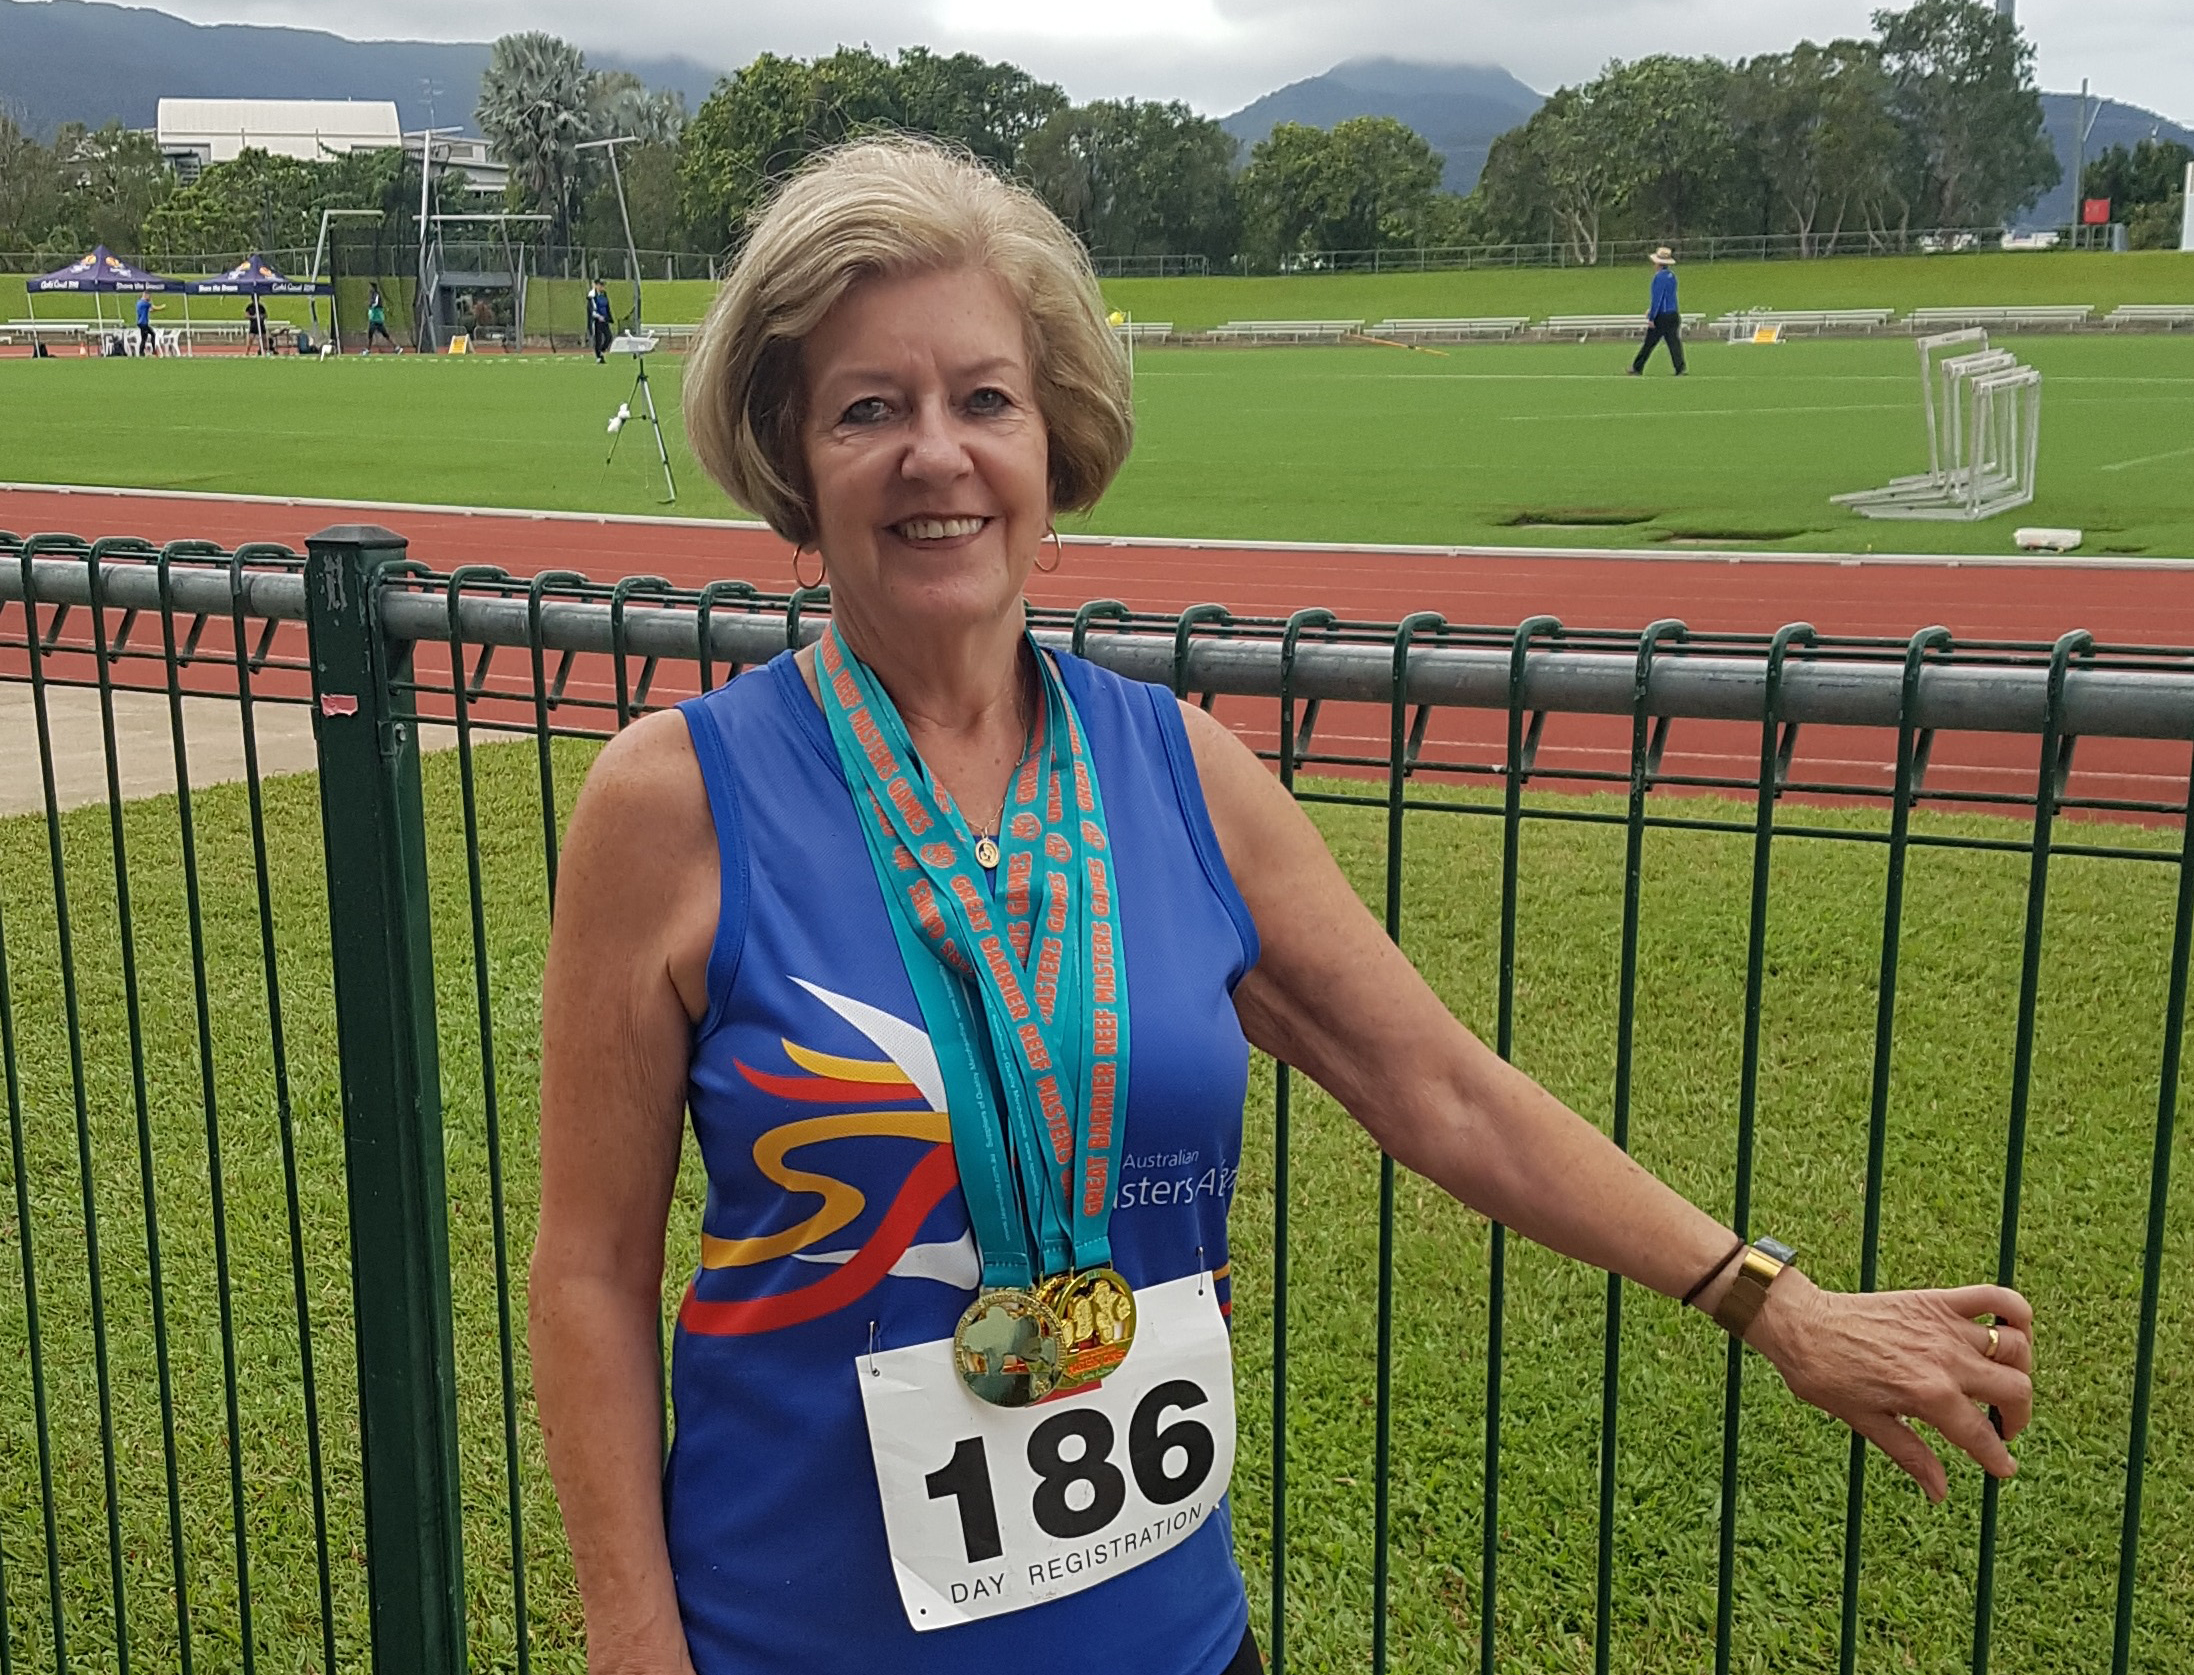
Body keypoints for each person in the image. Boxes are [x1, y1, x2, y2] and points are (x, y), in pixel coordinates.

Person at [530, 139, 2033, 1675]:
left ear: (1053, 447)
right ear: (793, 457)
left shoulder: (1181, 774)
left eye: (984, 399)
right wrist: (633, 1636)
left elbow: (1440, 1087)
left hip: (1170, 1638)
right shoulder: (675, 805)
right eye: (870, 408)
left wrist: (1768, 1297)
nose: (937, 454)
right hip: (797, 1641)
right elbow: (588, 1267)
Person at [1629, 245, 1686, 375]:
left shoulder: (1658, 278)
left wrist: (1652, 317)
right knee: (1673, 343)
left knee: (1649, 343)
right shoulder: (1672, 276)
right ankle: (1680, 367)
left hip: (1662, 316)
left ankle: (1637, 367)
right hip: (1673, 313)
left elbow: (1658, 299)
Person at [364, 284, 399, 354]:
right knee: (373, 335)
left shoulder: (376, 295)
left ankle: (368, 350)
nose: (369, 289)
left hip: (376, 319)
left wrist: (371, 305)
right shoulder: (372, 296)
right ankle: (396, 347)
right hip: (374, 318)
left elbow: (376, 303)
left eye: (370, 287)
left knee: (373, 335)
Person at [588, 277, 614, 362]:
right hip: (596, 320)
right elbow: (592, 310)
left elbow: (607, 307)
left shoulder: (604, 294)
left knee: (608, 336)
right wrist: (599, 316)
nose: (602, 287)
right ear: (595, 285)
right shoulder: (592, 295)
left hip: (604, 319)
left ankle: (602, 351)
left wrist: (608, 317)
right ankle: (599, 357)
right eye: (600, 285)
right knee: (598, 339)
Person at [134, 291, 161, 356]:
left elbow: (149, 310)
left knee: (152, 334)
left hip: (140, 322)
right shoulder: (145, 303)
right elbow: (154, 308)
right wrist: (162, 307)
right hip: (143, 322)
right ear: (145, 295)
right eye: (149, 296)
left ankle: (152, 351)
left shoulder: (139, 302)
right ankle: (142, 352)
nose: (150, 298)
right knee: (144, 338)